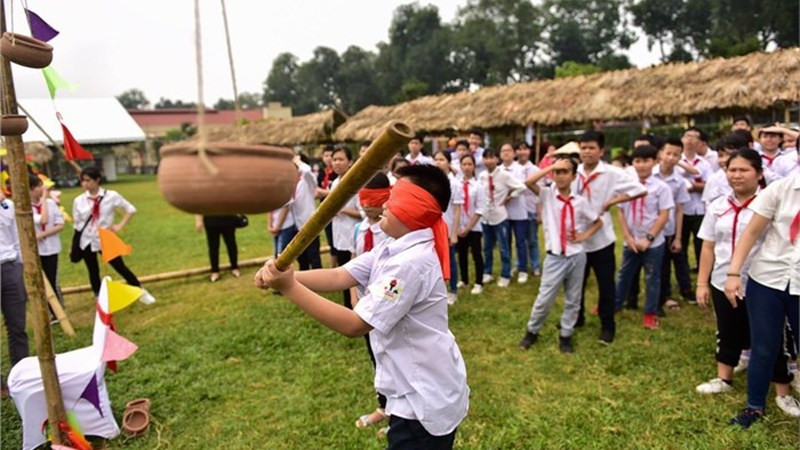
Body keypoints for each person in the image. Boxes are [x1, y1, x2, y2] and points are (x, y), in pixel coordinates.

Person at [255, 164, 469, 448]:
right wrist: (286, 276)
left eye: (394, 198)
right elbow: (341, 275)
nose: (384, 204)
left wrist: (289, 287)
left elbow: (355, 325)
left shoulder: (411, 263)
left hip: (423, 398)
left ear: (413, 209)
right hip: (411, 390)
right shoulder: (391, 247)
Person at [694, 149, 793, 399]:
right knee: (727, 330)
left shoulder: (771, 202)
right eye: (732, 170)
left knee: (770, 337)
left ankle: (783, 388)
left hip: (762, 281)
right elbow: (708, 245)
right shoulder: (717, 206)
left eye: (744, 170)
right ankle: (724, 377)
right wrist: (702, 283)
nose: (736, 175)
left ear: (759, 174)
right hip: (722, 279)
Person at [724, 172, 800, 428]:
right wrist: (734, 273)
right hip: (768, 278)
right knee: (764, 347)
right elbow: (751, 232)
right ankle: (754, 407)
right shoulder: (780, 189)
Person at [518, 157, 602, 353]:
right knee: (544, 298)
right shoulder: (547, 195)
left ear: (574, 176)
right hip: (555, 257)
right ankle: (532, 331)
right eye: (557, 172)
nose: (560, 175)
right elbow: (529, 182)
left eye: (565, 171)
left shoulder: (580, 202)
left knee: (573, 298)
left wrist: (584, 236)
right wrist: (551, 166)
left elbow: (598, 221)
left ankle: (566, 334)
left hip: (576, 257)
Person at [573, 131, 647, 343]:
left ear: (601, 151)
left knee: (606, 285)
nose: (586, 152)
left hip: (602, 239)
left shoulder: (612, 173)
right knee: (576, 283)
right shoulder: (574, 172)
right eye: (583, 147)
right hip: (578, 238)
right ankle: (576, 318)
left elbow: (640, 190)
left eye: (591, 148)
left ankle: (608, 326)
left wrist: (612, 201)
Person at [71, 166, 155, 302]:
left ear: (97, 180)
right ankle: (98, 296)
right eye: (82, 181)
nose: (84, 184)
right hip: (86, 239)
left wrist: (119, 225)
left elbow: (131, 209)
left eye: (88, 180)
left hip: (105, 237)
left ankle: (140, 290)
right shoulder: (79, 200)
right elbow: (77, 221)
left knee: (119, 266)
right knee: (92, 270)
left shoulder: (111, 196)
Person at [615, 145, 674, 329]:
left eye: (646, 161)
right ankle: (615, 305)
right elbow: (621, 212)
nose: (641, 165)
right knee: (624, 275)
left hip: (653, 243)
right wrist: (628, 237)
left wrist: (648, 238)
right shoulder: (627, 186)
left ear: (655, 162)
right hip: (631, 241)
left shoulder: (661, 187)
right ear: (632, 163)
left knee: (652, 277)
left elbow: (664, 214)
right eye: (637, 161)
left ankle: (650, 312)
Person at [351, 173, 392, 433]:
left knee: (392, 358)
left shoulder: (390, 232)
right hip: (364, 305)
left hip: (388, 304)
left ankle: (400, 415)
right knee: (376, 357)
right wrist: (355, 301)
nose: (366, 205)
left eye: (373, 199)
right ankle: (383, 406)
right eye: (362, 198)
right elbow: (351, 265)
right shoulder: (358, 229)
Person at [652, 139, 692, 312]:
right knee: (656, 265)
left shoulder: (679, 181)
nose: (670, 158)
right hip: (650, 228)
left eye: (676, 155)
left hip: (668, 229)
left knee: (670, 262)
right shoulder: (649, 175)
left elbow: (679, 209)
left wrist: (677, 236)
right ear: (661, 153)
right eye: (668, 153)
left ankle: (672, 294)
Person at [477, 148, 526, 288]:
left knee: (504, 247)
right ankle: (487, 272)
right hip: (486, 216)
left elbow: (521, 187)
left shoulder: (504, 175)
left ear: (497, 159)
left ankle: (505, 274)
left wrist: (510, 197)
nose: (488, 161)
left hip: (500, 216)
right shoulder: (482, 176)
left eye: (491, 158)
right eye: (486, 158)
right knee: (486, 247)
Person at [679, 127, 714, 278]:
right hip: (682, 210)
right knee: (681, 245)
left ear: (700, 142)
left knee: (701, 244)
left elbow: (711, 185)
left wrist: (695, 187)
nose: (690, 140)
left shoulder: (704, 164)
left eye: (694, 137)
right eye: (687, 136)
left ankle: (703, 273)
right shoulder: (676, 161)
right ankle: (684, 275)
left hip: (700, 209)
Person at [0, 191, 29, 375]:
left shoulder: (6, 206)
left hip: (10, 267)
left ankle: (21, 376)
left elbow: (17, 238)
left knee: (17, 326)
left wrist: (21, 265)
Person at [330, 147, 361, 308]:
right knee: (342, 273)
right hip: (339, 235)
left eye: (341, 159)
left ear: (350, 162)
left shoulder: (357, 182)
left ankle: (357, 305)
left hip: (354, 236)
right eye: (334, 159)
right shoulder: (334, 183)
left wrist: (342, 209)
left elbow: (364, 212)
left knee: (354, 275)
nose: (336, 163)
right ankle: (347, 306)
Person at [29, 176, 65, 315]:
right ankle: (47, 311)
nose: (43, 189)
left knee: (53, 280)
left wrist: (42, 235)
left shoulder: (50, 203)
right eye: (39, 187)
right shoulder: (26, 208)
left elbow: (60, 225)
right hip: (36, 250)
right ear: (31, 189)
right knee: (40, 283)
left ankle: (58, 311)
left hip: (51, 248)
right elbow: (43, 219)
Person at [434, 150, 464, 304]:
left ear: (448, 162)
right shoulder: (430, 182)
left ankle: (453, 290)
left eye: (442, 159)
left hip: (447, 228)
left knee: (450, 260)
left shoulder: (455, 184)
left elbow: (458, 209)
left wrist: (454, 233)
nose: (438, 162)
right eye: (436, 159)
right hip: (433, 229)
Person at [499, 143, 529, 284]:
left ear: (514, 153)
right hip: (503, 212)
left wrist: (507, 194)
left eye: (508, 150)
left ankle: (522, 269)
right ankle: (509, 267)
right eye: (503, 151)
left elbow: (520, 186)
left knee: (521, 242)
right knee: (506, 242)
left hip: (519, 211)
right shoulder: (498, 170)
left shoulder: (520, 169)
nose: (506, 153)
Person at [456, 154, 485, 295]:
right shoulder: (456, 185)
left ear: (474, 166)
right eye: (464, 164)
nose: (467, 167)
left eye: (469, 164)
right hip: (459, 226)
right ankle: (464, 279)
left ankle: (479, 282)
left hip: (474, 226)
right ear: (460, 166)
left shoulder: (478, 186)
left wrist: (468, 228)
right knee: (461, 254)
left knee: (476, 254)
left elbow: (480, 209)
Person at [515, 141, 542, 277]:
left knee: (532, 239)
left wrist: (539, 212)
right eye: (519, 149)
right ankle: (519, 264)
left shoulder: (535, 170)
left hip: (531, 208)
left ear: (529, 151)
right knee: (519, 240)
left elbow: (540, 193)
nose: (522, 152)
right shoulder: (512, 170)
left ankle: (535, 265)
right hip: (516, 210)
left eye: (524, 149)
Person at [294, 154, 322, 270]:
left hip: (310, 225)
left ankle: (320, 283)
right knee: (302, 259)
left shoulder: (308, 181)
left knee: (314, 258)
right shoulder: (293, 182)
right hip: (296, 226)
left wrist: (298, 161)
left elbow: (307, 172)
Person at [195, 215, 240, 282]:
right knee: (213, 247)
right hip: (210, 221)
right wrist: (198, 220)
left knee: (231, 244)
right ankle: (215, 271)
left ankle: (235, 267)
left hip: (228, 219)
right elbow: (199, 205)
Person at [316, 144, 338, 267]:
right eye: (326, 155)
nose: (328, 158)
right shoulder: (321, 173)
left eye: (331, 156)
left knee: (338, 239)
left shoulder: (337, 174)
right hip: (325, 210)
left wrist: (323, 192)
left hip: (337, 210)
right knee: (330, 237)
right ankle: (333, 265)